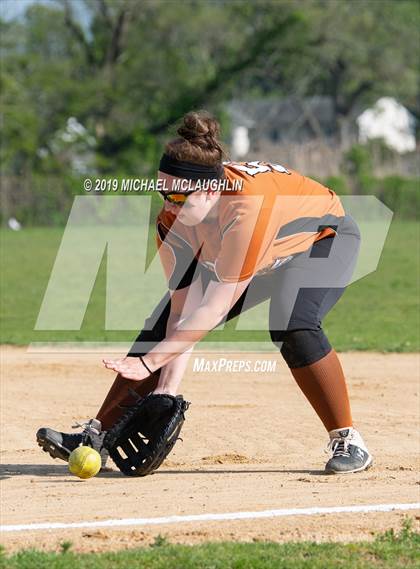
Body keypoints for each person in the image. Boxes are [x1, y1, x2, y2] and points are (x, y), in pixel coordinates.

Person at [37, 110, 373, 475]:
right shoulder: (171, 224)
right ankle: (97, 437)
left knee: (293, 322)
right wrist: (166, 388)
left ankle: (348, 439)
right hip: (261, 255)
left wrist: (151, 363)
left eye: (178, 198)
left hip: (322, 240)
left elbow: (212, 309)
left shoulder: (246, 210)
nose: (167, 205)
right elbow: (184, 313)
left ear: (211, 189)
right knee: (163, 323)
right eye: (162, 193)